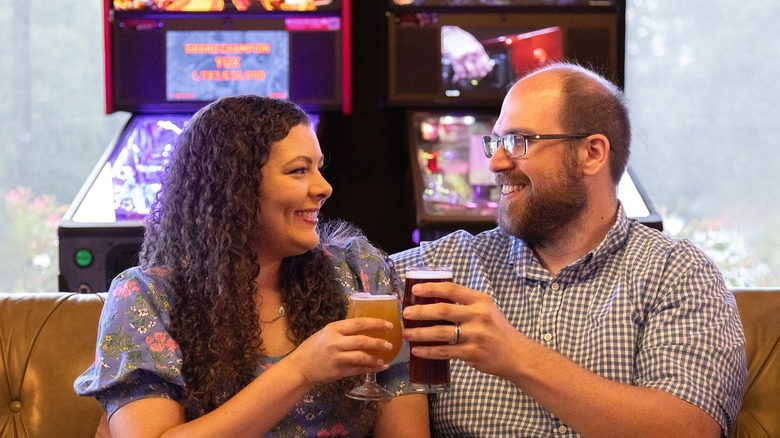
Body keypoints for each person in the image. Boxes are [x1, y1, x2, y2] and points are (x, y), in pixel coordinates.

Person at [393, 62, 747, 437]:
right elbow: (347, 278)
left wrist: (516, 356)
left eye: (518, 141)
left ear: (592, 153)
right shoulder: (437, 269)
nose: (495, 162)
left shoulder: (676, 273)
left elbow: (691, 430)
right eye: (495, 142)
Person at [74, 95, 429, 437]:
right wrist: (301, 369)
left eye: (319, 168)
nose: (324, 187)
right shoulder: (147, 297)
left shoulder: (360, 271)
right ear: (234, 189)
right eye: (298, 171)